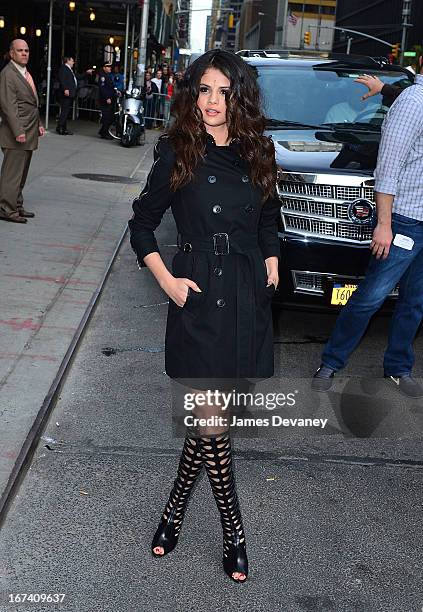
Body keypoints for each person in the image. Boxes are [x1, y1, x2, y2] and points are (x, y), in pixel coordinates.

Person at [128, 49, 280, 583]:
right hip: (196, 295)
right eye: (204, 90)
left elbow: (270, 218)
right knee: (214, 426)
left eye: (223, 91)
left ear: (239, 97)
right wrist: (167, 281)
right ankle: (234, 532)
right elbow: (142, 224)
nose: (212, 102)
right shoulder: (177, 151)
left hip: (243, 297)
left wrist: (273, 257)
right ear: (192, 94)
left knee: (207, 426)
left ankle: (172, 514)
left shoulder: (258, 150)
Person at [313, 56, 423, 398]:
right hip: (405, 220)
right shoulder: (413, 102)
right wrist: (385, 224)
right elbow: (387, 167)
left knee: (415, 302)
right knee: (370, 298)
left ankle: (398, 368)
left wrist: (382, 88)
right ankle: (330, 363)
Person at [0, 39, 45, 224]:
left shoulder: (23, 72)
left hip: (29, 129)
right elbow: (8, 106)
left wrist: (39, 124)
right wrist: (18, 130)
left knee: (22, 172)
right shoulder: (8, 74)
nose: (24, 53)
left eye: (26, 50)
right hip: (16, 133)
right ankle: (6, 209)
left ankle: (16, 205)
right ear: (12, 53)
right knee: (12, 174)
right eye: (20, 50)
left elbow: (31, 103)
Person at [56, 56, 93, 135]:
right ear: (68, 61)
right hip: (66, 93)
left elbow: (78, 77)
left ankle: (63, 128)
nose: (73, 62)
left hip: (70, 93)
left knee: (66, 111)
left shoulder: (70, 70)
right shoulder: (63, 69)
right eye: (72, 61)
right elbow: (62, 79)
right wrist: (65, 89)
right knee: (65, 111)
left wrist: (86, 73)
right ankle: (60, 127)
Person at [98, 61, 116, 139]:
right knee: (107, 117)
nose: (110, 68)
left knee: (110, 116)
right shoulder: (103, 76)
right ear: (104, 68)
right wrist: (107, 98)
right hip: (105, 100)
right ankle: (104, 133)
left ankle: (103, 131)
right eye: (108, 67)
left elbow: (110, 87)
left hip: (110, 98)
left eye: (110, 67)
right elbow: (103, 88)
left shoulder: (107, 76)